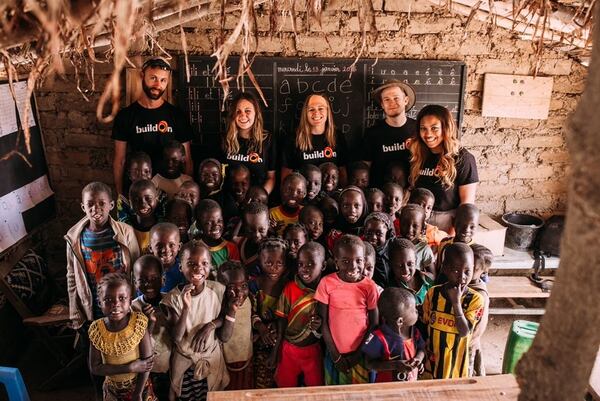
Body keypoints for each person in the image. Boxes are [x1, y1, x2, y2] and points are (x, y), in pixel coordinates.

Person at [161, 241, 234, 400]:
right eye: (191, 263)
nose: (198, 268)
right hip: (185, 364)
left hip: (211, 358)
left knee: (211, 396)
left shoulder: (217, 290)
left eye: (204, 263)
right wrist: (186, 308)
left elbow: (223, 316)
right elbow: (176, 337)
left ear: (210, 266)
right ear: (181, 267)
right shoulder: (172, 299)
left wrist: (210, 326)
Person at [112, 56, 193, 196]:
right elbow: (120, 161)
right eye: (153, 78)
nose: (158, 85)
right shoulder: (125, 116)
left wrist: (186, 193)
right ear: (142, 76)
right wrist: (120, 196)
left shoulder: (177, 116)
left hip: (170, 191)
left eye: (163, 80)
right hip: (138, 192)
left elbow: (187, 160)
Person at [66, 182, 140, 330]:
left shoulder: (125, 233)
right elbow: (72, 276)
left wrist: (136, 304)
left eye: (102, 203)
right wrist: (75, 313)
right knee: (99, 343)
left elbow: (136, 270)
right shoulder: (74, 238)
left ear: (111, 205)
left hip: (123, 305)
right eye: (90, 204)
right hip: (93, 306)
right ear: (83, 207)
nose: (95, 209)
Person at [316, 235, 379, 385]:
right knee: (334, 393)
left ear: (364, 260)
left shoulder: (369, 286)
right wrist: (335, 355)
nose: (353, 267)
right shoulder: (327, 283)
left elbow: (374, 324)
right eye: (345, 261)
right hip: (334, 354)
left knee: (360, 394)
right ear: (336, 261)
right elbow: (323, 322)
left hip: (362, 354)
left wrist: (358, 355)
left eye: (358, 261)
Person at [409, 104, 478, 233]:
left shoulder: (463, 158)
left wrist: (452, 234)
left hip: (447, 221)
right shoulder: (419, 154)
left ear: (446, 128)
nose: (428, 134)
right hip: (419, 219)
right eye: (423, 128)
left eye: (434, 128)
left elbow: (466, 204)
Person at [88, 273, 156, 401]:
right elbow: (95, 368)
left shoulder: (138, 324)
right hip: (112, 389)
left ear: (130, 301)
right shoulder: (96, 330)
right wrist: (129, 367)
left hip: (140, 387)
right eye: (108, 300)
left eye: (122, 298)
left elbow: (147, 363)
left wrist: (138, 393)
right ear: (99, 303)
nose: (115, 304)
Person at [422, 243, 484, 379]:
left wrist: (456, 303)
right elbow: (426, 322)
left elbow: (464, 331)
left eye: (467, 271)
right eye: (456, 270)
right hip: (434, 359)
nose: (462, 276)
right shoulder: (433, 293)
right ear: (444, 268)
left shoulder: (475, 299)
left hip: (458, 362)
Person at [272, 242, 326, 387]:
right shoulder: (290, 288)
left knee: (315, 388)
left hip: (313, 350)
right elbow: (281, 319)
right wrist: (277, 349)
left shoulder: (326, 290)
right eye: (301, 264)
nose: (304, 269)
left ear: (323, 266)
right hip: (289, 349)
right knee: (285, 386)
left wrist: (319, 327)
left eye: (310, 264)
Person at [362, 287, 425, 383]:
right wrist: (395, 365)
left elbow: (422, 349)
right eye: (413, 310)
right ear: (400, 321)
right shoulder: (379, 338)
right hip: (386, 390)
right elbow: (369, 364)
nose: (417, 311)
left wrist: (418, 359)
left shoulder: (414, 332)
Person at [281, 94, 348, 183]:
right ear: (305, 113)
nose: (316, 113)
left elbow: (342, 172)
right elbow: (286, 177)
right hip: (303, 194)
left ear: (328, 111)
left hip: (331, 194)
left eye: (320, 108)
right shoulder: (293, 139)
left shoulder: (337, 137)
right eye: (311, 109)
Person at [250, 238, 289, 389]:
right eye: (268, 263)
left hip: (281, 337)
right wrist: (261, 328)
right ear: (260, 261)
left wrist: (274, 328)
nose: (274, 268)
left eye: (279, 263)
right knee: (261, 380)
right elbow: (249, 311)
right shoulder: (254, 285)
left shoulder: (288, 286)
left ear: (285, 264)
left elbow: (288, 314)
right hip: (259, 339)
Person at [363, 80, 417, 188]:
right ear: (382, 104)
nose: (392, 102)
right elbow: (365, 167)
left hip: (412, 193)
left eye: (396, 98)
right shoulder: (372, 134)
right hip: (380, 195)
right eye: (387, 99)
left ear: (406, 100)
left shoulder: (418, 129)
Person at [220, 92, 277, 194]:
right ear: (233, 114)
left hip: (257, 200)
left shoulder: (268, 140)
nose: (243, 115)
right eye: (238, 111)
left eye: (247, 111)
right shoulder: (225, 140)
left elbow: (271, 178)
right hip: (230, 199)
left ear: (256, 113)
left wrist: (260, 198)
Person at [132, 255, 172, 400]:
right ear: (134, 281)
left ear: (163, 279)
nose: (148, 284)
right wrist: (150, 324)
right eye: (142, 280)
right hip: (147, 372)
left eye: (154, 278)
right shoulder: (133, 308)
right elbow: (136, 345)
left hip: (170, 367)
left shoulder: (171, 301)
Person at [217, 261, 254, 390]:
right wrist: (231, 311)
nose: (239, 293)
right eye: (232, 288)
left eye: (244, 286)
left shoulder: (249, 300)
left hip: (247, 358)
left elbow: (251, 319)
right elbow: (224, 337)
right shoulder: (221, 306)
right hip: (227, 362)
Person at [194, 199, 240, 276]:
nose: (216, 226)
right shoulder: (194, 247)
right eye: (209, 223)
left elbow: (235, 275)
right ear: (199, 225)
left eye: (219, 220)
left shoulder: (231, 248)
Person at [468, 244, 492, 377]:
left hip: (468, 343)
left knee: (466, 372)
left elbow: (479, 328)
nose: (468, 270)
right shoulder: (462, 282)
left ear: (483, 271)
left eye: (474, 268)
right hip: (455, 339)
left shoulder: (481, 295)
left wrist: (469, 341)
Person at [398, 204, 435, 275]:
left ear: (422, 228)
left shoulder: (424, 249)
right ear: (399, 223)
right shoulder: (394, 244)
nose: (409, 230)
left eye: (415, 226)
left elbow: (432, 275)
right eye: (405, 224)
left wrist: (418, 275)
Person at [148, 223, 184, 293]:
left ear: (179, 246)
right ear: (150, 248)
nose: (166, 250)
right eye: (159, 245)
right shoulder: (146, 271)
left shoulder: (184, 270)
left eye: (171, 245)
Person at [362, 212, 393, 288]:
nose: (373, 237)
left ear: (387, 234)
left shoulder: (391, 252)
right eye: (369, 233)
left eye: (379, 234)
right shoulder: (360, 251)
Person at [129, 179, 160, 253]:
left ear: (156, 199)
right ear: (130, 202)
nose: (143, 204)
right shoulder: (127, 228)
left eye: (148, 198)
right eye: (136, 199)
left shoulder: (161, 227)